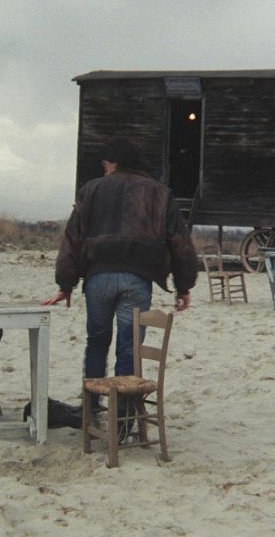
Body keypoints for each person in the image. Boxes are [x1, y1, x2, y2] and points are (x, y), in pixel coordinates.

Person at [44, 137, 198, 390]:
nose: (104, 168)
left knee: (96, 342)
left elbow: (72, 240)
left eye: (105, 163)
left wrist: (65, 284)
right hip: (138, 278)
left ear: (113, 162)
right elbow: (180, 244)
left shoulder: (91, 190)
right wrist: (183, 287)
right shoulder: (160, 193)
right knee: (130, 346)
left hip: (98, 277)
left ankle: (92, 406)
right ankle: (124, 410)